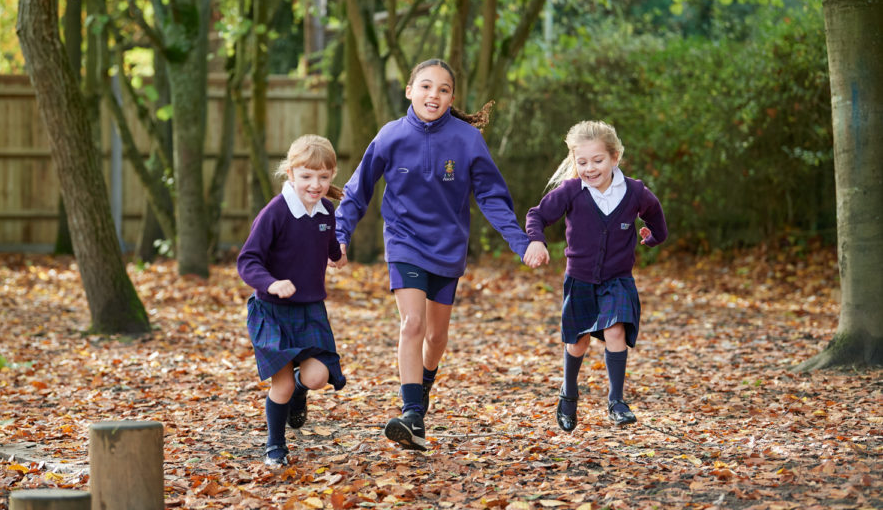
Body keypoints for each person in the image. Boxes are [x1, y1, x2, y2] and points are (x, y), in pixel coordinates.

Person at [335, 58, 533, 451]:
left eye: (443, 89)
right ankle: (412, 412)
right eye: (425, 86)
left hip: (448, 246)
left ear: (451, 98)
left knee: (437, 336)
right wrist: (340, 235)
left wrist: (522, 242)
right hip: (405, 241)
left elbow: (492, 197)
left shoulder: (467, 140)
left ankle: (423, 387)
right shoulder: (390, 136)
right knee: (412, 323)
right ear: (410, 91)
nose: (433, 95)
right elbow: (358, 191)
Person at [524, 120, 667, 432]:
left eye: (597, 160)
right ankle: (568, 394)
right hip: (580, 280)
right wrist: (536, 240)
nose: (589, 168)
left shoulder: (635, 192)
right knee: (578, 342)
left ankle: (617, 401)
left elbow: (656, 216)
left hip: (618, 278)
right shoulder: (571, 191)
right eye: (582, 161)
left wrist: (653, 237)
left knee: (616, 331)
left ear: (615, 157)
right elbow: (537, 215)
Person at [237, 134, 348, 467]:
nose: (315, 184)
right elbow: (247, 261)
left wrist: (337, 254)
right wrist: (271, 284)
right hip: (273, 311)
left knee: (316, 378)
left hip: (310, 309)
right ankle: (275, 447)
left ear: (332, 175)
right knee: (281, 386)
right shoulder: (276, 212)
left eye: (324, 177)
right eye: (307, 176)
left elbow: (325, 242)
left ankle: (302, 390)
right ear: (291, 173)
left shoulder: (326, 210)